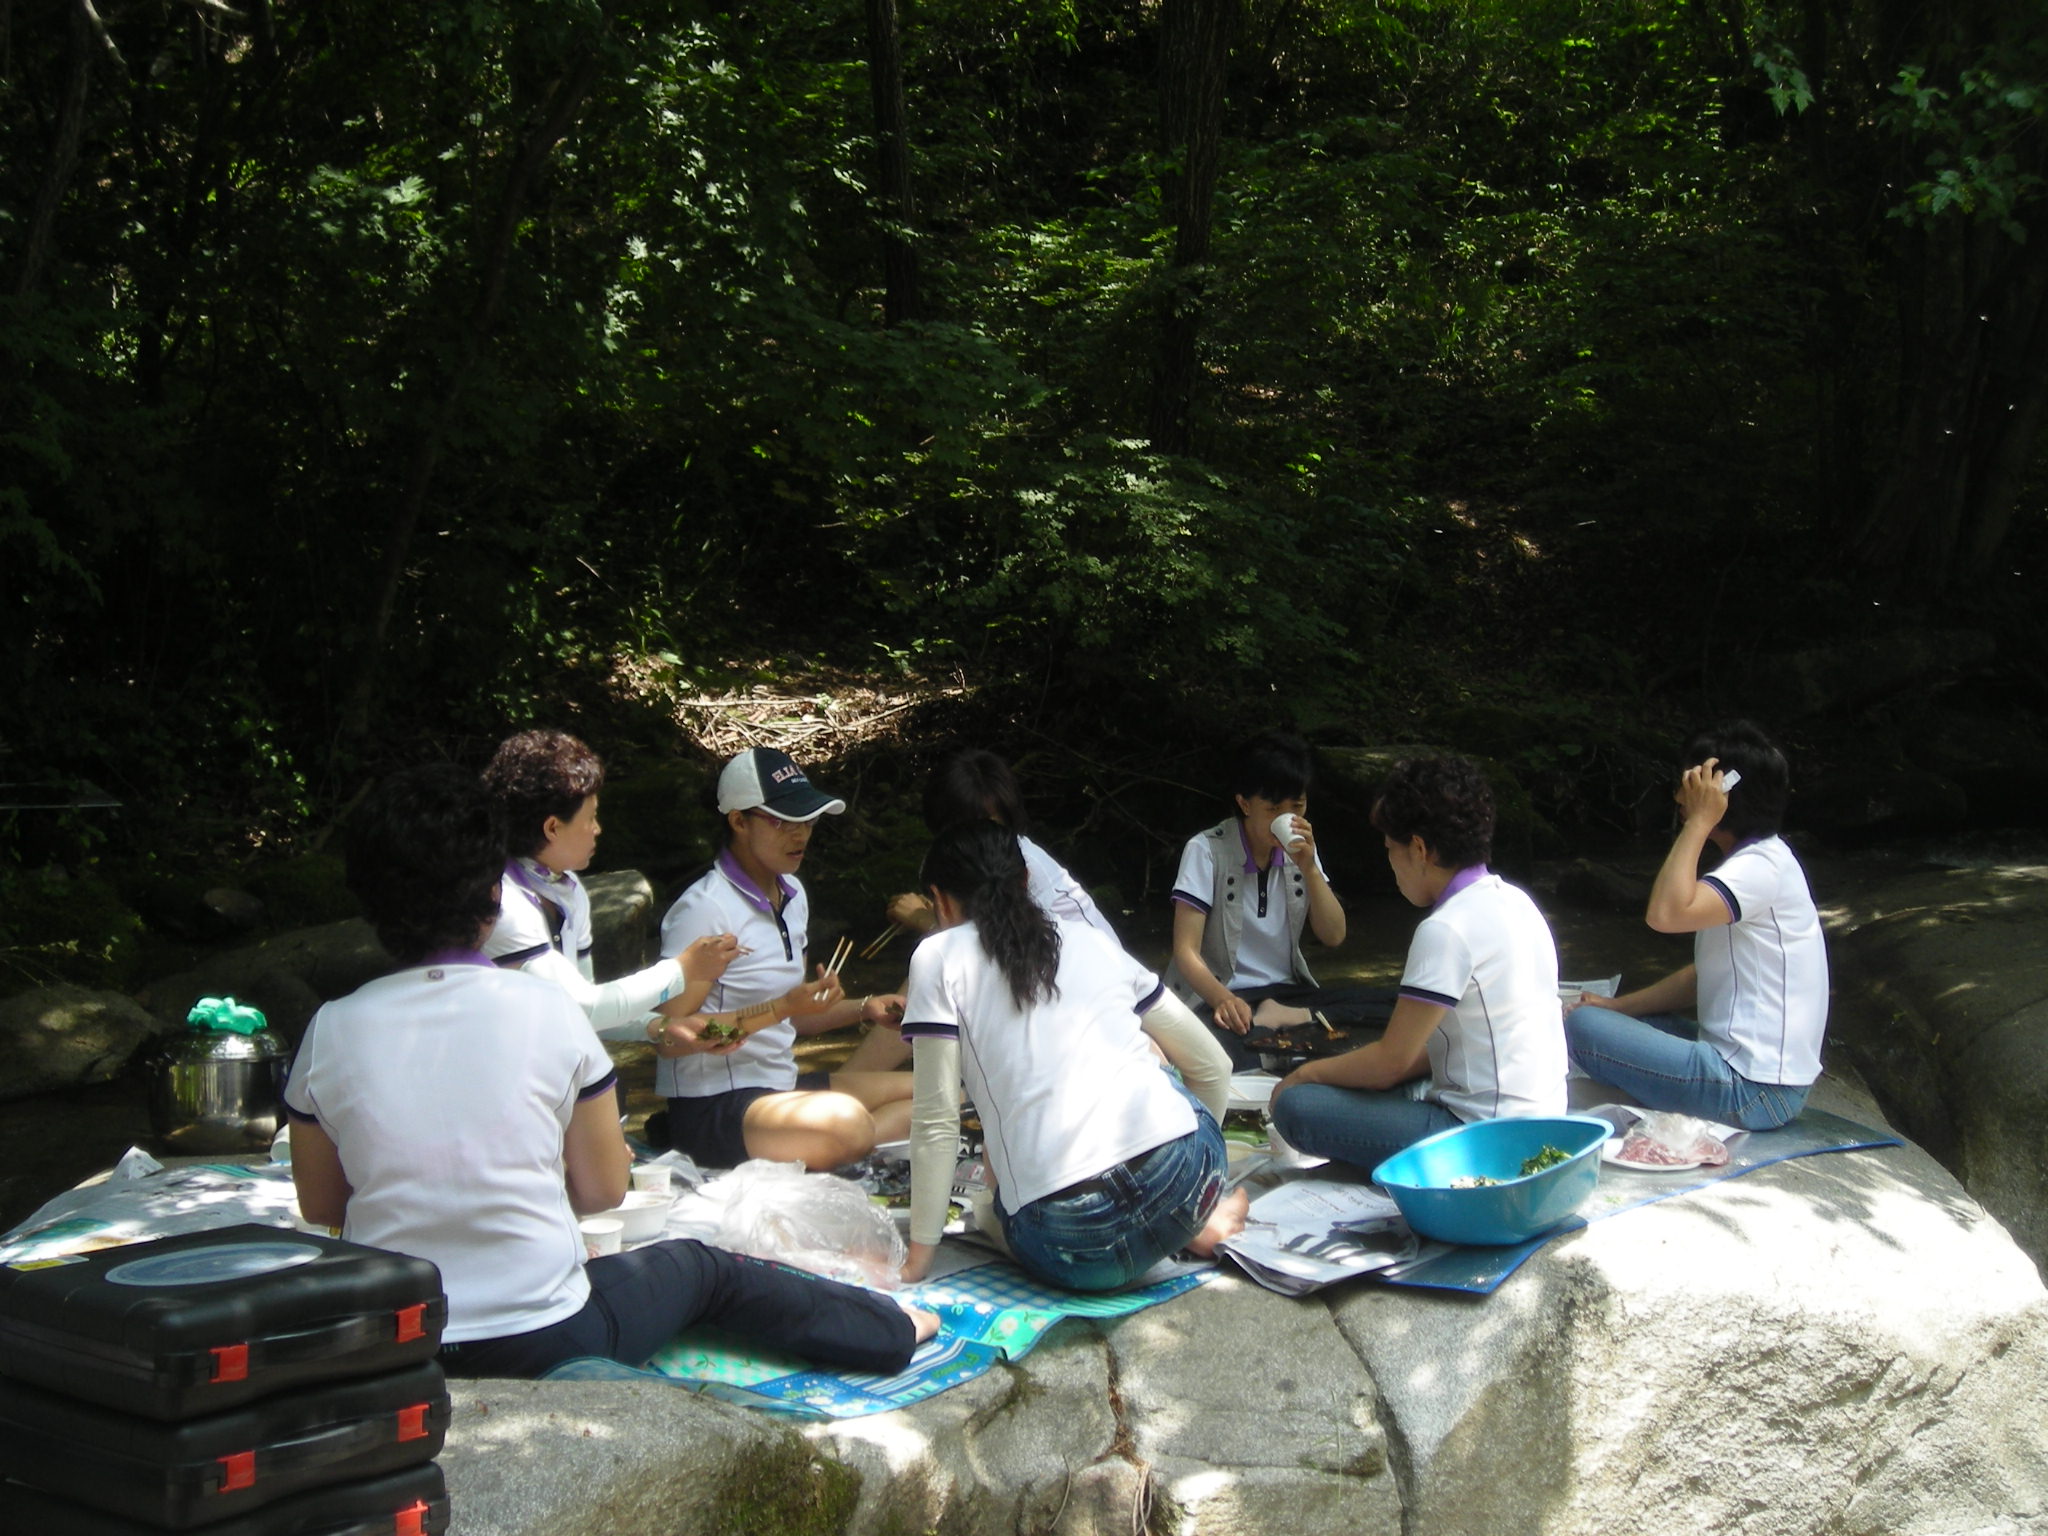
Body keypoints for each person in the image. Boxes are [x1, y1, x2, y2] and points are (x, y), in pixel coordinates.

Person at [284, 764, 935, 1379]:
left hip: (394, 1339)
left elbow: (324, 1204)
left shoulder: (332, 1027)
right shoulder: (549, 1011)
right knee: (704, 1269)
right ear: (493, 894)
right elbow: (602, 1190)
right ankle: (892, 1326)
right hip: (545, 1331)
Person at [897, 822, 1246, 1290]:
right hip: (1188, 1182)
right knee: (1149, 1057)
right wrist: (1191, 1190)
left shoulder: (937, 956)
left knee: (995, 1185)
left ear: (939, 901)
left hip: (1076, 1251)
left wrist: (917, 1262)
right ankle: (1195, 1221)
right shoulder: (1089, 938)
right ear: (1026, 880)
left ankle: (1178, 1224)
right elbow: (1213, 1066)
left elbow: (937, 1120)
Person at [1270, 755, 1566, 1172]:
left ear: (1420, 849)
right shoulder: (1517, 902)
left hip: (1484, 1140)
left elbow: (1389, 1065)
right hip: (1547, 1124)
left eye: (1390, 849)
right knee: (1371, 1076)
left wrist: (1304, 1075)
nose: (1390, 863)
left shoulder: (1446, 928)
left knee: (1299, 1106)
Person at [650, 747, 913, 1171]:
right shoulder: (704, 909)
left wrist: (866, 1008)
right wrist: (782, 1007)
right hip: (713, 1106)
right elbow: (669, 1038)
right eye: (782, 821)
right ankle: (844, 1145)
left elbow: (796, 1019)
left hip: (779, 1088)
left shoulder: (792, 894)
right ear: (738, 821)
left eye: (807, 820)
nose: (801, 834)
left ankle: (834, 1147)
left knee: (942, 1093)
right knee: (847, 1125)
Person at [1563, 722, 1827, 1130]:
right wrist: (1616, 1007)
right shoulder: (1762, 861)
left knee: (1581, 1026)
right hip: (1752, 1078)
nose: (1678, 797)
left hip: (1751, 1090)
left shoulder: (1760, 868)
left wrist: (1699, 823)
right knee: (1607, 1019)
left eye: (1689, 786)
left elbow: (1664, 915)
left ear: (1722, 793)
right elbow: (1702, 976)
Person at [480, 729, 736, 1039]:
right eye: (590, 818)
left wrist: (661, 1028)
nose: (597, 829)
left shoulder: (566, 888)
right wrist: (683, 969)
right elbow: (582, 1008)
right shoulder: (503, 902)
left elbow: (592, 1008)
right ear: (553, 828)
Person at [1164, 730, 1391, 1068]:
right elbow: (1186, 952)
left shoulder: (1302, 850)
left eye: (1297, 806)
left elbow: (1334, 935)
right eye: (1273, 809)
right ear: (1244, 804)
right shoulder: (1206, 850)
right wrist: (1224, 1000)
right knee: (1216, 1052)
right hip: (1223, 996)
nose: (1287, 817)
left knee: (1395, 1005)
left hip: (1287, 996)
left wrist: (1309, 868)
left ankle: (1287, 1027)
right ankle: (1280, 1046)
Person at [883, 747, 1119, 942]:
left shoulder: (1021, 865)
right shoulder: (968, 860)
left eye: (988, 824)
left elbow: (1007, 952)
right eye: (964, 828)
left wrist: (924, 920)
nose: (978, 837)